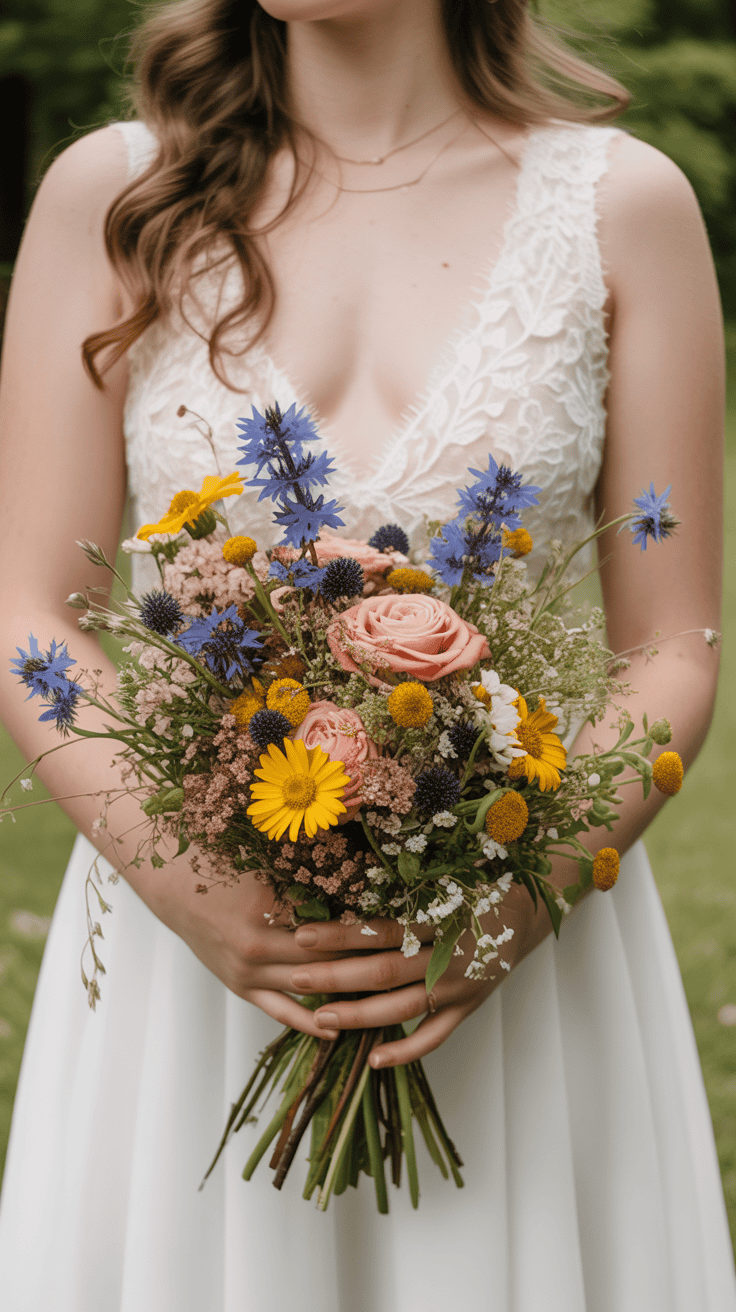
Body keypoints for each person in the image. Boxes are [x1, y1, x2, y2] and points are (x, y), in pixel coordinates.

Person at [0, 0, 734, 1307]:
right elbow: (34, 620)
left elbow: (674, 647)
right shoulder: (115, 193)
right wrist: (200, 899)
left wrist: (514, 900)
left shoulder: (626, 206)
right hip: (193, 971)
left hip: (514, 966)